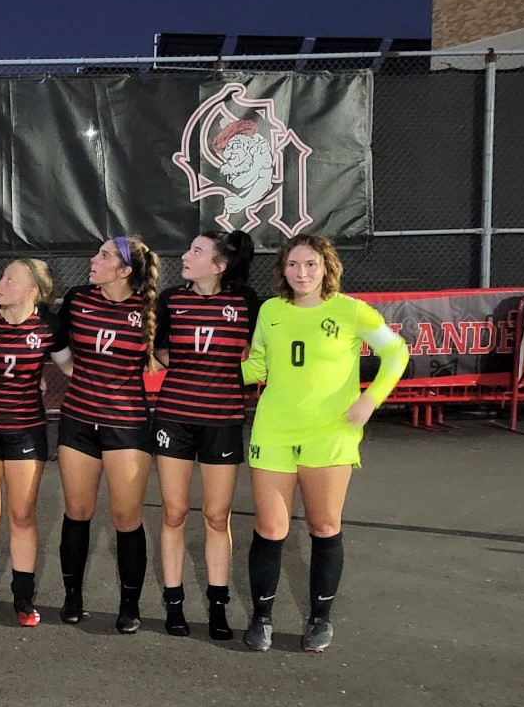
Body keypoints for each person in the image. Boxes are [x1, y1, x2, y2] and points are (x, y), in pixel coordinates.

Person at [241, 233, 409, 653]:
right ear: (282, 269)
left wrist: (371, 399)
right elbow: (257, 364)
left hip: (330, 434)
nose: (301, 272)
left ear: (326, 267)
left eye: (311, 264)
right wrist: (205, 362)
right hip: (275, 430)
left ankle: (319, 619)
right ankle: (261, 618)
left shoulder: (352, 311)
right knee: (269, 527)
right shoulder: (271, 311)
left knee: (324, 526)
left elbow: (397, 353)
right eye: (294, 264)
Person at [54, 236, 163, 633]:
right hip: (78, 421)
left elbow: (168, 355)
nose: (94, 260)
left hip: (127, 426)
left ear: (124, 271)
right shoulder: (78, 298)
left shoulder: (149, 308)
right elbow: (56, 342)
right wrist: (71, 371)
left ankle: (129, 606)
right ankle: (72, 598)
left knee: (125, 517)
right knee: (77, 512)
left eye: (104, 256)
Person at [153, 231, 258, 639]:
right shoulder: (171, 300)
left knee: (217, 516)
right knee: (174, 512)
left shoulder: (247, 302)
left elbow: (256, 353)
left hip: (223, 420)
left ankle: (218, 607)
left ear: (219, 265)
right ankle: (174, 603)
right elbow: (162, 352)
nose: (185, 255)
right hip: (175, 418)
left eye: (196, 251)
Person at [0, 258, 68, 627]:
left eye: (10, 279)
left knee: (22, 516)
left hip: (26, 429)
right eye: (1, 276)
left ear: (32, 291)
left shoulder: (50, 327)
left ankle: (23, 598)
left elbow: (72, 367)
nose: (0, 283)